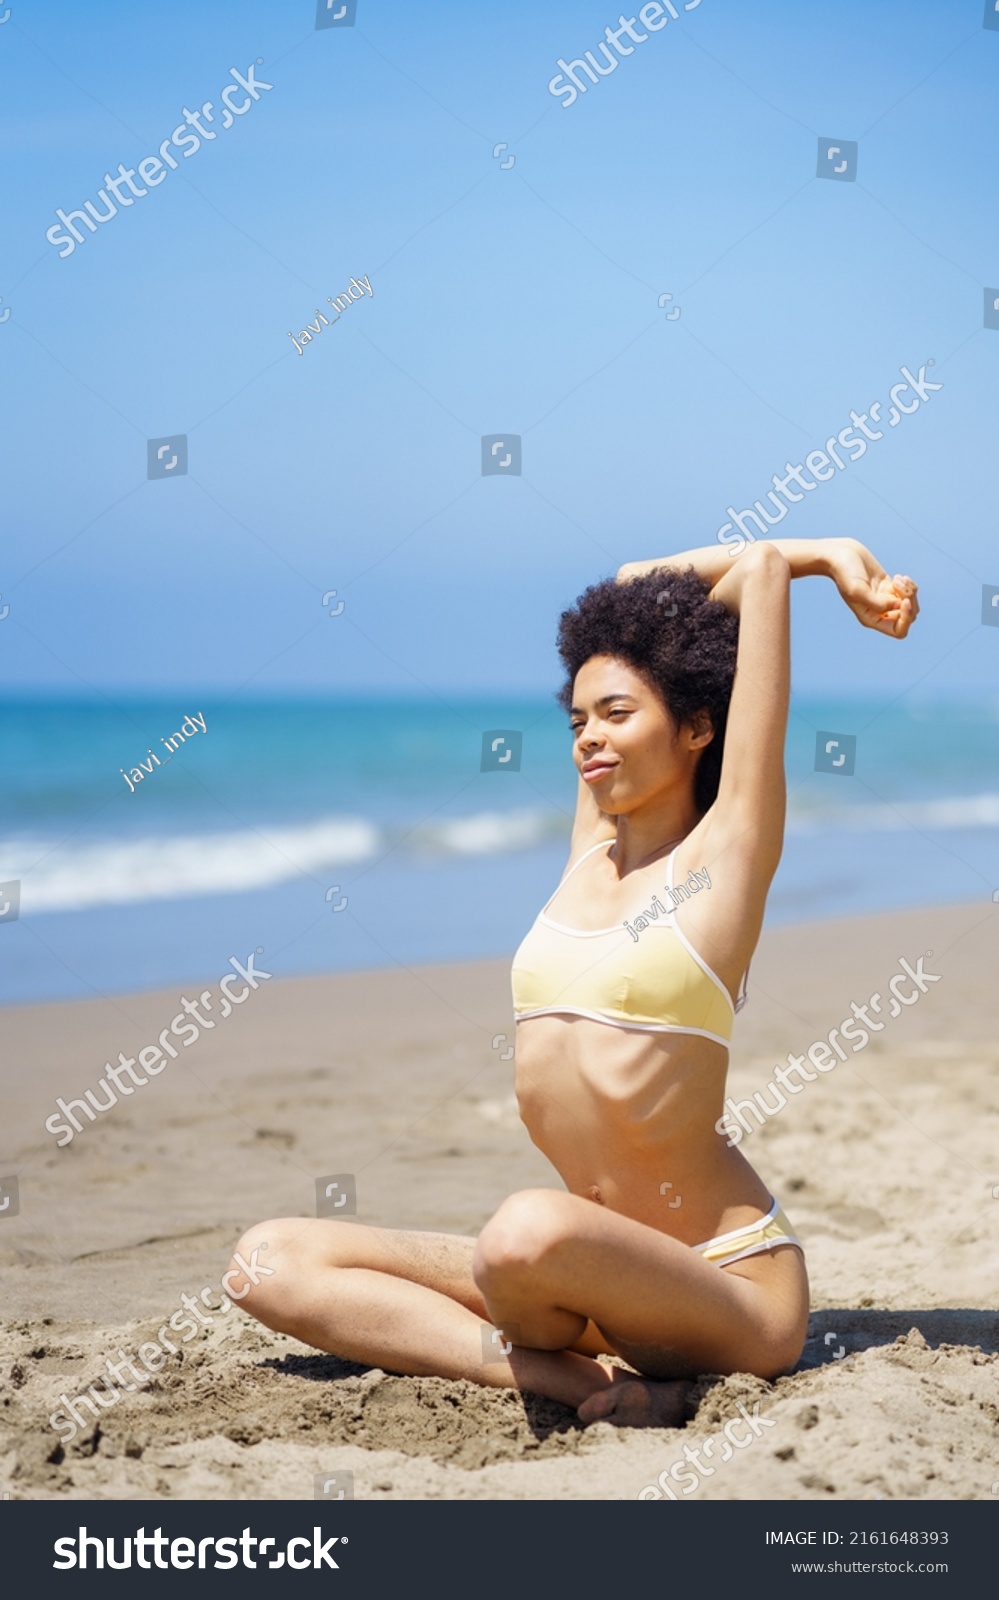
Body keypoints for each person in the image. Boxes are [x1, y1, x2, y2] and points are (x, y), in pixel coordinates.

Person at [231, 537, 918, 1426]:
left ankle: (574, 1353)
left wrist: (830, 559)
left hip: (720, 1284)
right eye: (577, 719)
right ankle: (575, 1383)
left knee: (523, 1229)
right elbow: (630, 583)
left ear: (698, 726)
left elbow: (751, 576)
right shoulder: (588, 849)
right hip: (579, 1282)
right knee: (266, 1258)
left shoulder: (725, 856)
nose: (589, 735)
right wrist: (623, 634)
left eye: (618, 712)